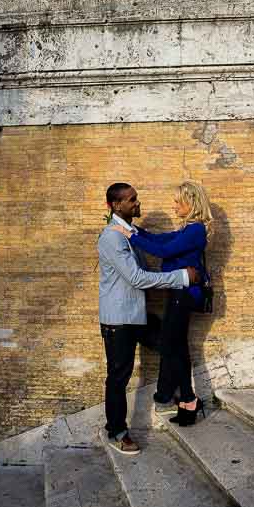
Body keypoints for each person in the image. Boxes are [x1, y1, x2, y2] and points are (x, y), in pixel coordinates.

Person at [98, 182, 199, 454]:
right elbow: (137, 278)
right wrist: (181, 277)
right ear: (117, 205)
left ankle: (170, 397)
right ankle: (117, 432)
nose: (137, 203)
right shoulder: (111, 237)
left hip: (136, 316)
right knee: (118, 377)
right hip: (118, 321)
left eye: (136, 198)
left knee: (170, 344)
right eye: (132, 200)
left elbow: (156, 245)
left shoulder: (127, 234)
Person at [112, 181, 212, 427]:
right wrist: (132, 229)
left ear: (192, 203)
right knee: (176, 346)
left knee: (171, 346)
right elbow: (158, 239)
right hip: (177, 292)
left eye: (178, 201)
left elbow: (164, 251)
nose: (174, 205)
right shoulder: (187, 229)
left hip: (186, 293)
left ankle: (183, 397)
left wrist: (131, 236)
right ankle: (180, 398)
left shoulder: (196, 230)